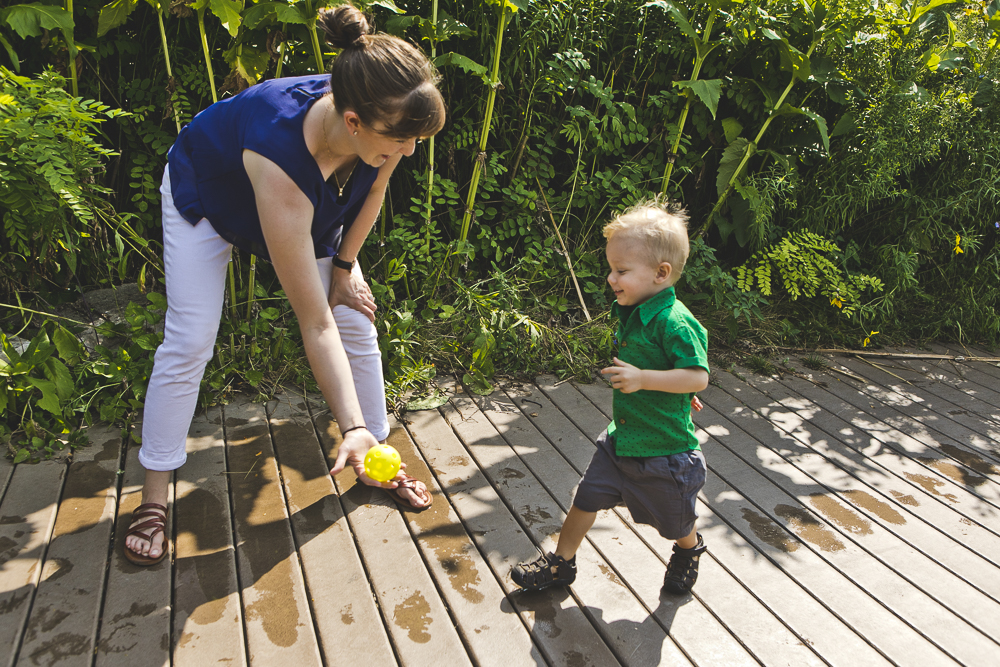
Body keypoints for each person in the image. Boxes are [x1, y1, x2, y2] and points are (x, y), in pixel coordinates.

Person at [123, 4, 442, 566]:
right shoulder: (282, 156)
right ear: (351, 124)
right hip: (212, 189)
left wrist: (343, 269)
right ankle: (153, 494)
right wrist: (345, 416)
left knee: (355, 317)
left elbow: (371, 192)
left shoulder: (380, 110)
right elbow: (311, 320)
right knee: (192, 335)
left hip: (309, 196)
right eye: (401, 141)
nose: (411, 152)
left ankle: (373, 453)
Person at [511, 201, 710, 595]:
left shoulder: (676, 322)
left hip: (665, 453)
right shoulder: (634, 310)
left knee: (676, 523)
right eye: (611, 268)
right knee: (586, 498)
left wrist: (648, 380)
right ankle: (560, 564)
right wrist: (671, 388)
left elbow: (698, 375)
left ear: (661, 273)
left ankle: (689, 550)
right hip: (621, 441)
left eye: (621, 271)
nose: (610, 278)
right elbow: (680, 378)